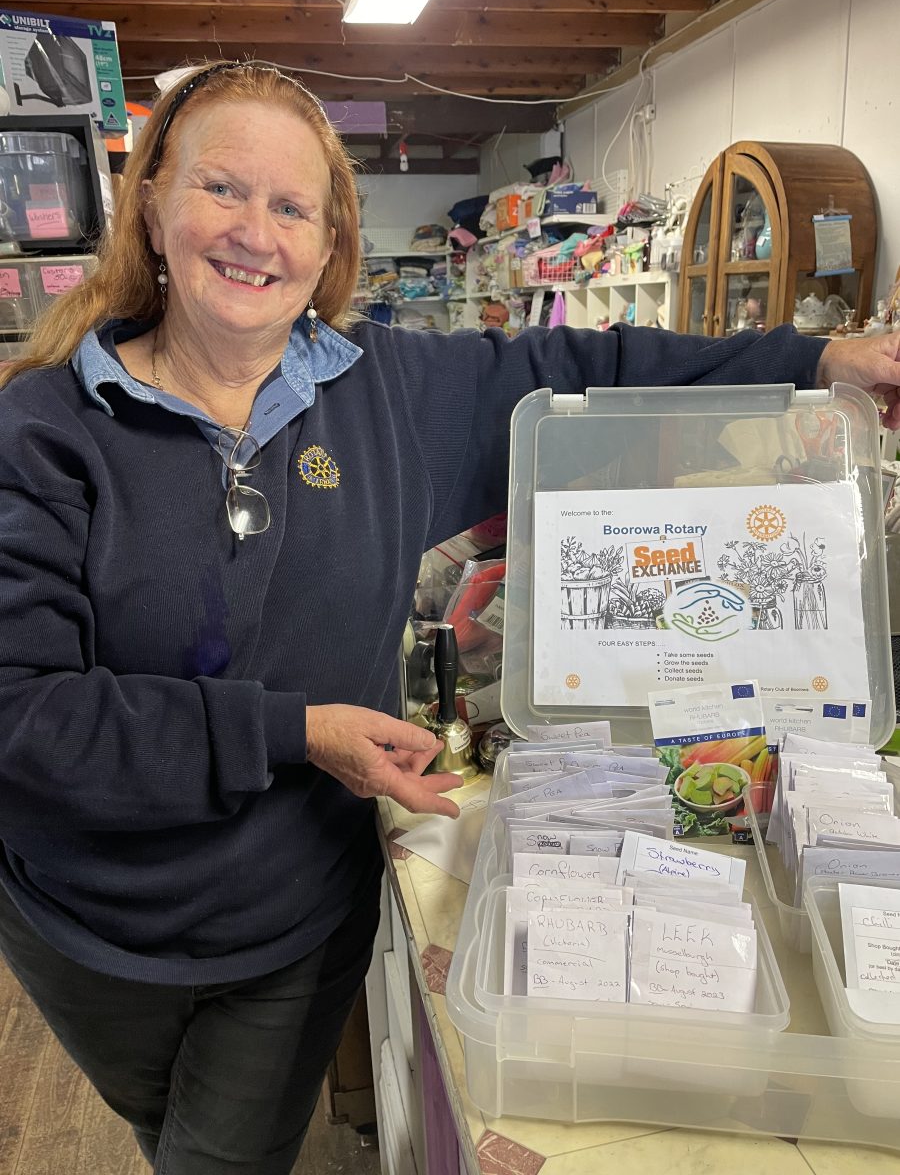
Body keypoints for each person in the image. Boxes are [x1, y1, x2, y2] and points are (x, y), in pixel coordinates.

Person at [0, 60, 898, 1174]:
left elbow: (602, 361)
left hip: (289, 922)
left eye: (292, 208)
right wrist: (297, 730)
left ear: (331, 245)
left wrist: (815, 358)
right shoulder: (45, 427)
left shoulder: (392, 393)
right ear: (155, 205)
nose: (255, 233)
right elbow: (24, 719)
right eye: (221, 190)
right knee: (164, 1133)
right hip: (86, 931)